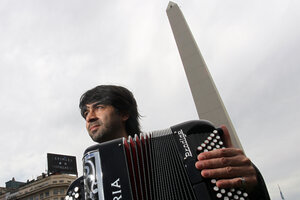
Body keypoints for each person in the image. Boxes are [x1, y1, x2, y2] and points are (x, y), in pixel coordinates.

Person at [79, 84, 270, 199]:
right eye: (86, 113)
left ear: (124, 113)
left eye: (99, 107)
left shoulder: (192, 141)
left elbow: (234, 184)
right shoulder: (82, 190)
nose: (90, 117)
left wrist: (252, 186)